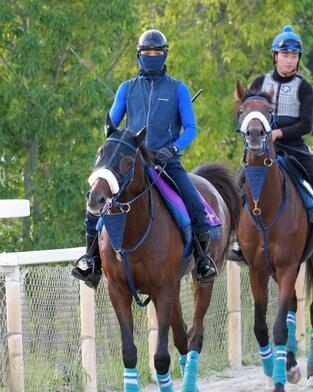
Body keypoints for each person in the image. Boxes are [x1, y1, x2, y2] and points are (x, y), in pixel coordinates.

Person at [72, 29, 218, 288]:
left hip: (166, 161)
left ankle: (203, 259)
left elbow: (192, 129)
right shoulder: (126, 88)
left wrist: (172, 149)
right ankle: (91, 261)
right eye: (147, 52)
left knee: (195, 205)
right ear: (139, 55)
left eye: (157, 52)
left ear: (165, 55)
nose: (152, 56)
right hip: (131, 162)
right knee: (96, 200)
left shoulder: (178, 89)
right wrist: (114, 137)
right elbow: (111, 125)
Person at [229, 24, 313, 262]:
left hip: (294, 149)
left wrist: (278, 133)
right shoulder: (259, 82)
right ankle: (237, 241)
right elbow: (247, 114)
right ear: (275, 56)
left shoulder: (305, 88)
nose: (289, 60)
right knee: (237, 188)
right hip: (260, 150)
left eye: (294, 56)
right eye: (285, 55)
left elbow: (307, 124)